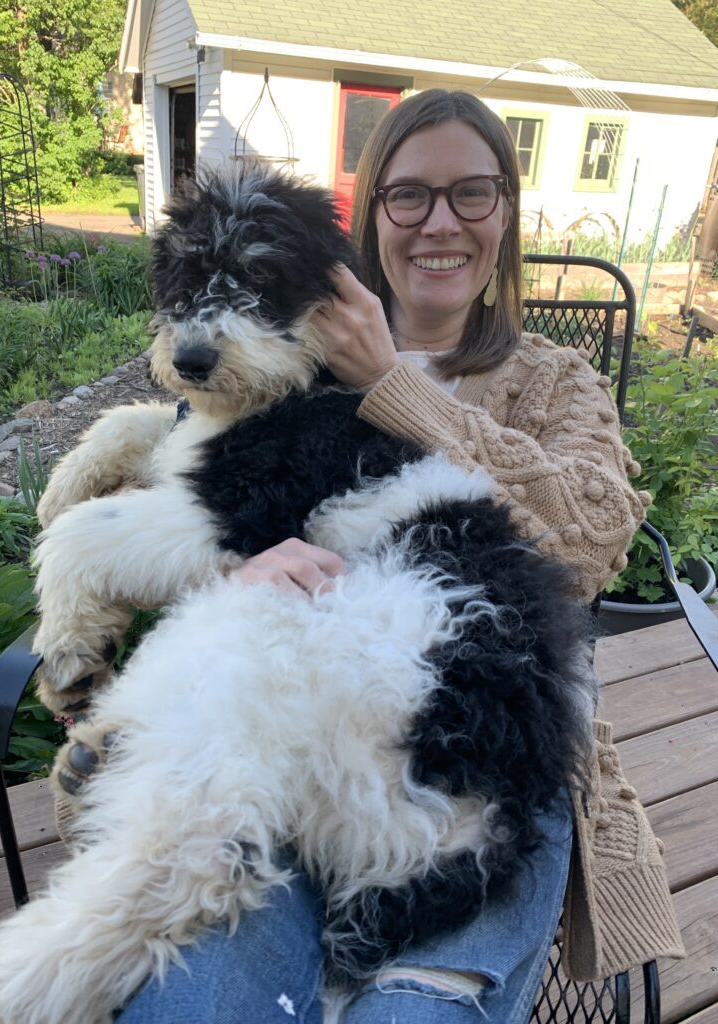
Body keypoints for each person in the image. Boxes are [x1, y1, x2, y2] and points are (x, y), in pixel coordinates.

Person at [117, 90, 683, 1022]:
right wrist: (226, 570)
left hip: (483, 760)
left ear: (505, 212)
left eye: (473, 193)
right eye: (410, 196)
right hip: (286, 742)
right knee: (201, 991)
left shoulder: (550, 379)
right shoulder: (274, 348)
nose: (440, 223)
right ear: (371, 212)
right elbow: (182, 518)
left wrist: (391, 383)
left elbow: (593, 538)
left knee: (412, 1010)